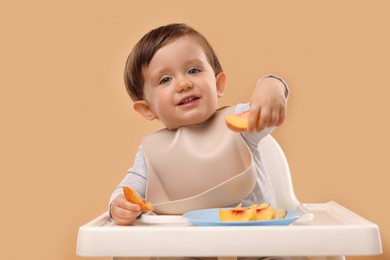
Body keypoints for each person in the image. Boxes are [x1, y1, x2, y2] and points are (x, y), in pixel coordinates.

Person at [109, 23, 289, 226]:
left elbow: (265, 111)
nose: (184, 84)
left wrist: (271, 87)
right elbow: (129, 190)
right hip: (190, 242)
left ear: (218, 84)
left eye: (193, 70)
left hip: (257, 232)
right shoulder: (152, 151)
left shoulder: (239, 122)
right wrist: (119, 204)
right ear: (147, 109)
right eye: (165, 79)